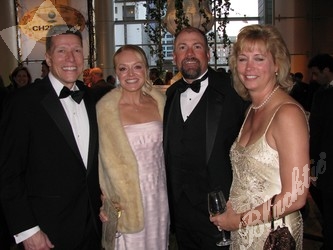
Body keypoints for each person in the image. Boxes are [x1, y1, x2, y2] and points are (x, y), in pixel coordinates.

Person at [0, 24, 102, 250]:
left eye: (76, 50)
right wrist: (27, 229)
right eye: (61, 51)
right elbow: (8, 173)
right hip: (46, 231)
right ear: (47, 57)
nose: (71, 58)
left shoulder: (92, 99)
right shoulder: (23, 103)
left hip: (92, 226)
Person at [209, 24, 309, 249]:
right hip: (244, 230)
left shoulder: (288, 114)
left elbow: (296, 195)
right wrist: (233, 214)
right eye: (243, 59)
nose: (249, 67)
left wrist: (239, 220)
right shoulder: (252, 110)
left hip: (274, 236)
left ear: (277, 64)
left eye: (259, 58)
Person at [163, 26, 248, 249]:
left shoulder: (233, 91)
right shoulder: (170, 95)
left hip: (221, 210)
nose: (189, 53)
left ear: (208, 54)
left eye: (197, 46)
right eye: (182, 47)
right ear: (174, 56)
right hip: (181, 213)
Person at [97, 45, 169, 250]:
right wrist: (103, 199)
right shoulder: (105, 110)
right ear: (116, 72)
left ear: (146, 69)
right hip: (125, 200)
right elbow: (97, 159)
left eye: (136, 67)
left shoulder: (161, 102)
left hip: (159, 194)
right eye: (123, 68)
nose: (130, 74)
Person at [309, 55, 333, 250]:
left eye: (316, 73)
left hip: (327, 164)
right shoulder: (322, 93)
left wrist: (315, 167)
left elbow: (317, 134)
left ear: (327, 70)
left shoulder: (323, 96)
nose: (314, 78)